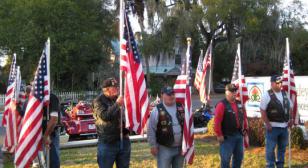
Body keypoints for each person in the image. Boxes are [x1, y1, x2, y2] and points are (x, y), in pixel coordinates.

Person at [93, 77, 130, 168]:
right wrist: (117, 104)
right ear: (106, 89)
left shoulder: (118, 98)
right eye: (114, 87)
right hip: (108, 142)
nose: (117, 89)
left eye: (117, 87)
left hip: (123, 139)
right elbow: (105, 116)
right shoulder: (98, 101)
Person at [147, 86, 185, 168]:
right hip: (164, 148)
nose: (171, 96)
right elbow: (151, 129)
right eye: (168, 94)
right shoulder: (157, 110)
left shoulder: (181, 106)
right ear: (162, 95)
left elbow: (187, 125)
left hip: (181, 148)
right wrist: (153, 145)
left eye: (172, 94)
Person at [260, 75, 293, 168]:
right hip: (272, 128)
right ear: (272, 83)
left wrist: (291, 119)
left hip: (284, 127)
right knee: (270, 150)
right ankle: (270, 165)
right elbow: (262, 110)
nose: (280, 84)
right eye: (278, 83)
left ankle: (280, 166)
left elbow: (290, 107)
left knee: (282, 149)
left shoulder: (285, 93)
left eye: (281, 82)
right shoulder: (267, 95)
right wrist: (267, 124)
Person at [214, 84, 248, 168]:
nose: (234, 93)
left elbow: (244, 117)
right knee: (225, 160)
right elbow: (217, 121)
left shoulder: (239, 103)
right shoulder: (221, 105)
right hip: (227, 137)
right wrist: (219, 134)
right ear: (227, 92)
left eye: (235, 91)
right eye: (232, 91)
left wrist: (245, 130)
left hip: (239, 135)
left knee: (238, 158)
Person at [42, 93, 61, 168]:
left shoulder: (52, 97)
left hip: (51, 134)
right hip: (38, 134)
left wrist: (46, 136)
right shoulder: (36, 98)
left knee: (53, 161)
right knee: (41, 163)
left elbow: (54, 119)